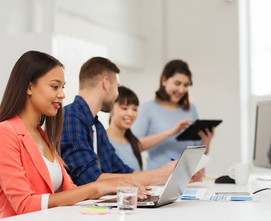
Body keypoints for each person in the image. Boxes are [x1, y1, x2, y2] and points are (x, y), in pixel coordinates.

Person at [0, 51, 147, 219]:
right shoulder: (4, 132)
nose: (62, 94)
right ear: (29, 87)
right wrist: (97, 187)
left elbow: (71, 193)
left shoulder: (43, 136)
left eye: (63, 87)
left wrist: (115, 195)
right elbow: (25, 204)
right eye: (55, 86)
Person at [60, 56, 190, 187]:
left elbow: (121, 170)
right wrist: (156, 176)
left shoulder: (96, 125)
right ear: (105, 83)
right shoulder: (71, 117)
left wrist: (168, 175)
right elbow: (89, 178)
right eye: (116, 87)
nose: (117, 94)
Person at [132, 59, 214, 170]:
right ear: (164, 80)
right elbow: (133, 146)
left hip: (187, 179)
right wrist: (169, 133)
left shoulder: (191, 109)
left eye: (186, 85)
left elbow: (196, 152)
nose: (181, 90)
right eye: (177, 83)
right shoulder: (146, 108)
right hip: (157, 181)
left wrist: (206, 141)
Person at [107, 86, 143, 170]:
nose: (130, 114)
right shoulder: (103, 140)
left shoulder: (133, 142)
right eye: (124, 108)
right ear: (110, 109)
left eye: (134, 109)